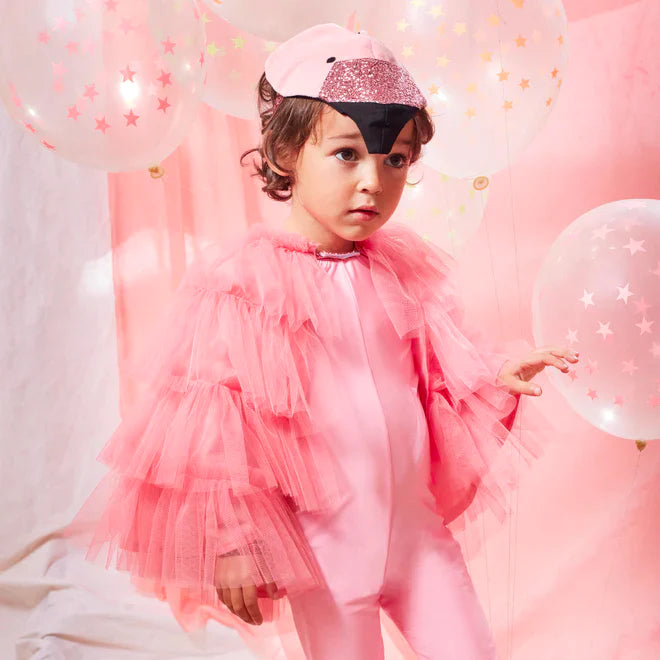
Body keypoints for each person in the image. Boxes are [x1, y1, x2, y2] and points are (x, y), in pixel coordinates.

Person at [64, 23, 578, 659]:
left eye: (395, 160)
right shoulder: (247, 284)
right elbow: (221, 424)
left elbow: (438, 369)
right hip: (328, 555)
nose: (373, 181)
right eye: (346, 154)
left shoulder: (398, 271)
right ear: (285, 154)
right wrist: (233, 542)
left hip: (418, 539)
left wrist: (497, 372)